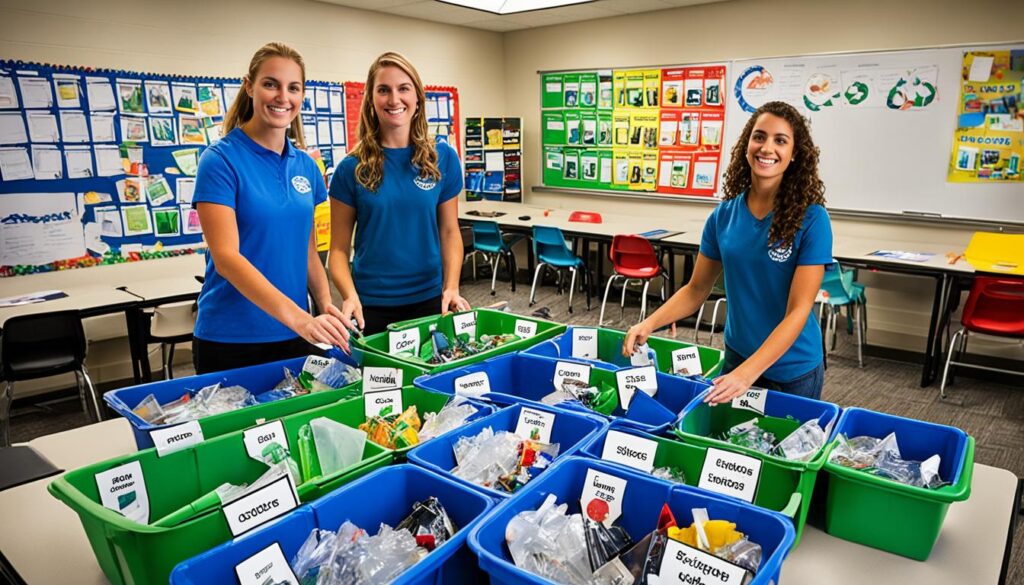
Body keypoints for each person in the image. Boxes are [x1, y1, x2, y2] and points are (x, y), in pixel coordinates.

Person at [624, 101, 833, 403]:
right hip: (737, 357)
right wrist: (648, 323)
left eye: (780, 140)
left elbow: (799, 310)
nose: (767, 148)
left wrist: (748, 373)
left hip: (792, 369)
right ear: (747, 143)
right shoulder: (723, 217)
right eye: (759, 136)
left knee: (783, 450)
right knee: (731, 447)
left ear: (794, 155)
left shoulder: (812, 219)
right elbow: (696, 289)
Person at [191, 42, 352, 374]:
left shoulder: (307, 166)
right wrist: (302, 319)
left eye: (293, 87)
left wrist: (325, 305)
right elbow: (227, 259)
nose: (282, 97)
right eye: (270, 84)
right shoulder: (220, 160)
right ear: (249, 86)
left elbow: (308, 253)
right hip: (230, 339)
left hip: (294, 335)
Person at [328, 52, 469, 335]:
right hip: (371, 306)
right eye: (384, 90)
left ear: (417, 98)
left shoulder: (442, 158)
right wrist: (349, 295)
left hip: (430, 300)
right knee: (382, 380)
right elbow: (338, 251)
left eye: (403, 88)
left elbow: (450, 233)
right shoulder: (350, 169)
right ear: (371, 100)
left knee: (430, 376)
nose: (394, 99)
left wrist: (451, 286)